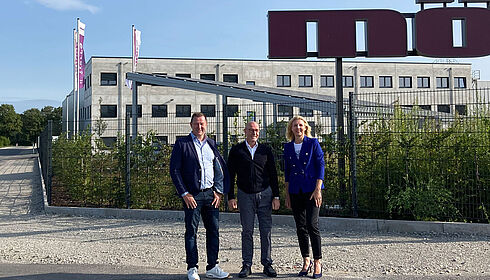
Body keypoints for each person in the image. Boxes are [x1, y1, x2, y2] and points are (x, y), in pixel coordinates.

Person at [170, 112, 230, 280]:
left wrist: (218, 191)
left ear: (206, 125)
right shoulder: (182, 144)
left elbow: (218, 169)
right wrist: (184, 193)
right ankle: (192, 268)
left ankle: (212, 267)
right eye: (196, 124)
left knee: (214, 231)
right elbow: (174, 171)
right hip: (193, 196)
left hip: (211, 195)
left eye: (202, 124)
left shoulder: (211, 143)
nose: (199, 127)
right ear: (191, 125)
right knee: (191, 232)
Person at [227, 121, 280, 278]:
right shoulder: (237, 150)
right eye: (251, 130)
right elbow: (230, 175)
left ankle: (267, 263)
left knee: (266, 230)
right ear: (245, 131)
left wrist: (276, 196)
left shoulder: (265, 150)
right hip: (245, 195)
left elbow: (273, 174)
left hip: (265, 194)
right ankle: (247, 264)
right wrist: (230, 196)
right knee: (247, 231)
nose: (254, 133)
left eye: (256, 130)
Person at [283, 116, 325, 279]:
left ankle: (317, 261)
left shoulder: (313, 143)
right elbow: (286, 172)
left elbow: (321, 165)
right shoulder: (287, 147)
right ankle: (305, 260)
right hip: (295, 190)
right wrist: (287, 194)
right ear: (291, 129)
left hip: (311, 190)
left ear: (305, 127)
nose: (298, 128)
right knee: (300, 227)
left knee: (312, 225)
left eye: (301, 125)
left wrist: (318, 189)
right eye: (295, 125)